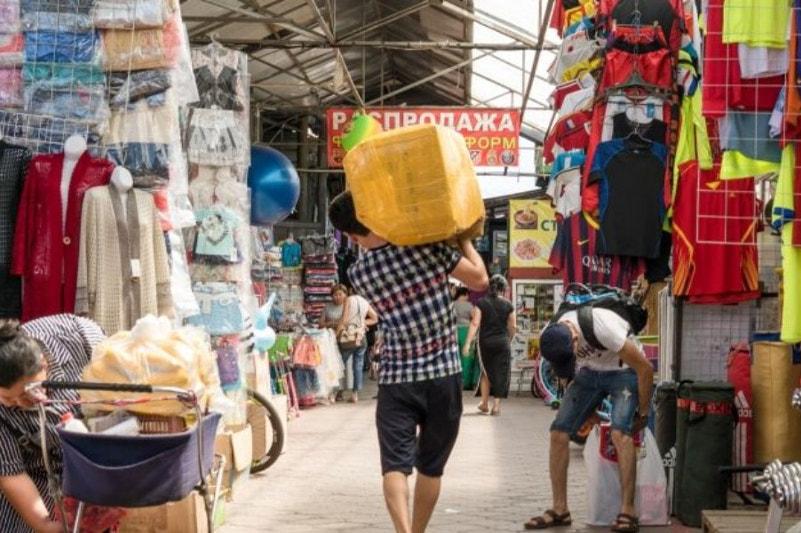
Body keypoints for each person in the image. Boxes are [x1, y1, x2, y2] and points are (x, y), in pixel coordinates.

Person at [328, 191, 488, 533]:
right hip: (443, 376)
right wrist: (464, 242)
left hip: (396, 380)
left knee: (394, 467)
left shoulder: (359, 273)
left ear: (354, 237)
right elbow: (480, 280)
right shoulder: (426, 247)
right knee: (431, 467)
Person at [525, 307, 653, 533]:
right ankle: (560, 509)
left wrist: (643, 414)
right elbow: (565, 375)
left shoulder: (604, 327)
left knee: (620, 433)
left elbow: (645, 369)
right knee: (558, 432)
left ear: (575, 339)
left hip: (624, 370)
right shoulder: (552, 334)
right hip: (590, 373)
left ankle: (628, 511)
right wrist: (584, 411)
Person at [0, 314, 105, 533]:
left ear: (43, 366)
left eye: (25, 394)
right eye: (7, 398)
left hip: (101, 458)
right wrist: (49, 526)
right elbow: (12, 474)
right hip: (38, 476)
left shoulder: (79, 337)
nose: (14, 405)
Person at [463, 274, 516, 416]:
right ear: (503, 289)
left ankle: (485, 404)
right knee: (500, 372)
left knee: (485, 371)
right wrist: (509, 339)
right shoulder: (508, 305)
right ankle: (496, 406)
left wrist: (467, 343)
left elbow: (475, 323)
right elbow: (513, 326)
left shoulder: (481, 302)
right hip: (503, 342)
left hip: (485, 342)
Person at [337, 288, 378, 403]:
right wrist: (363, 323)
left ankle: (337, 392)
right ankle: (355, 394)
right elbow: (375, 318)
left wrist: (337, 333)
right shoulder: (365, 302)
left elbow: (344, 320)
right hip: (361, 337)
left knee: (340, 364)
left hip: (349, 337)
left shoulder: (349, 300)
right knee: (358, 366)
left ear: (350, 291)